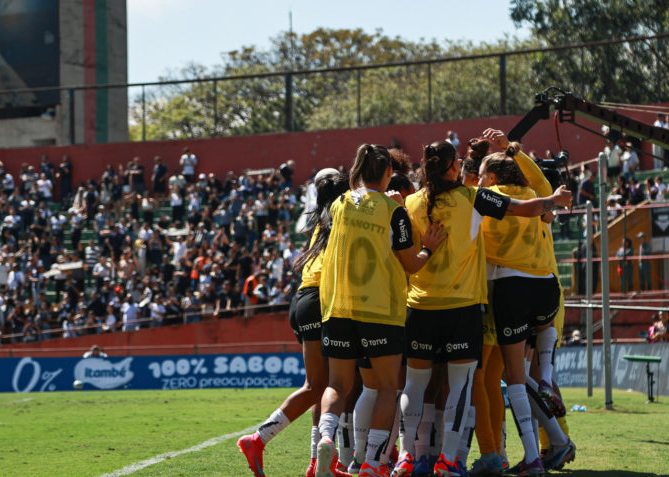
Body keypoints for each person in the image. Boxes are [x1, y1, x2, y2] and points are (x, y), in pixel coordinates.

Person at [395, 138, 572, 477]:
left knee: (419, 386)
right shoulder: (475, 198)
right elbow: (529, 207)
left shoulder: (412, 203)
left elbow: (403, 250)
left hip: (423, 305)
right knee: (470, 385)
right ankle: (456, 459)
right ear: (454, 167)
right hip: (469, 305)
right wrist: (554, 200)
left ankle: (409, 456)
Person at [315, 144, 445, 477]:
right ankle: (373, 463)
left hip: (339, 308)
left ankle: (326, 437)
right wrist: (428, 248)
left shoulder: (340, 204)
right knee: (387, 386)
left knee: (337, 385)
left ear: (356, 170)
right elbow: (411, 264)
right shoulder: (393, 210)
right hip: (380, 312)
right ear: (388, 174)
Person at [237, 169, 352, 477]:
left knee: (323, 386)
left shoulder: (320, 219)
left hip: (303, 299)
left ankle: (317, 462)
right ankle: (258, 439)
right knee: (319, 385)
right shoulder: (341, 217)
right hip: (317, 301)